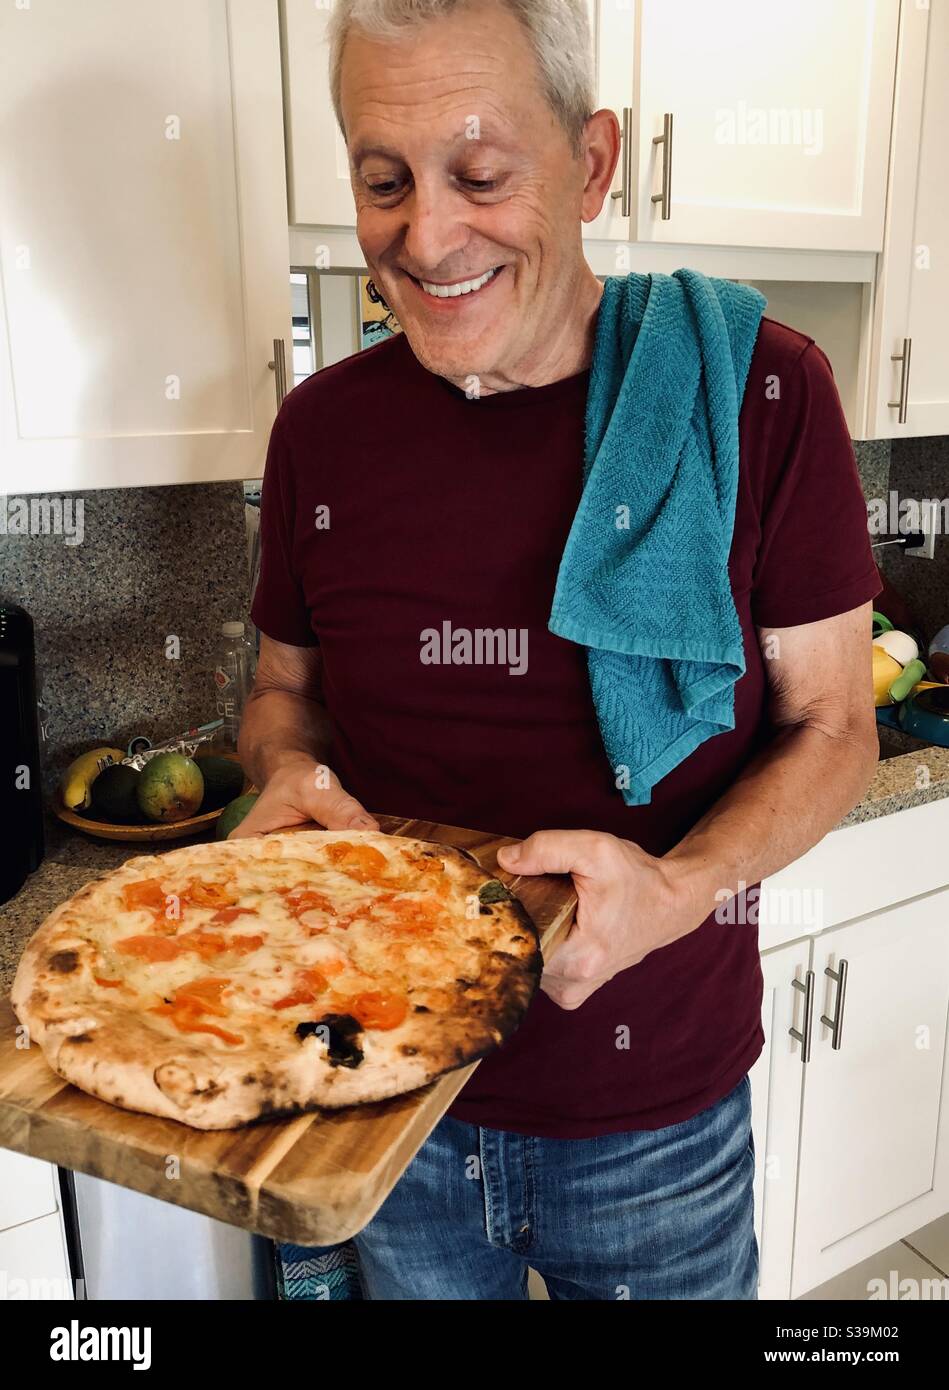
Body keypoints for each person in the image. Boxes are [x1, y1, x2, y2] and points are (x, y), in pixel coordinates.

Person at [237, 0, 880, 1299]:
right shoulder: (318, 431)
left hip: (653, 1111)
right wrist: (283, 769)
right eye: (382, 180)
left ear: (590, 165)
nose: (425, 237)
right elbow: (279, 691)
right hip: (386, 1093)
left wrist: (684, 879)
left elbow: (836, 725)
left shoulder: (759, 394)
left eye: (480, 174)